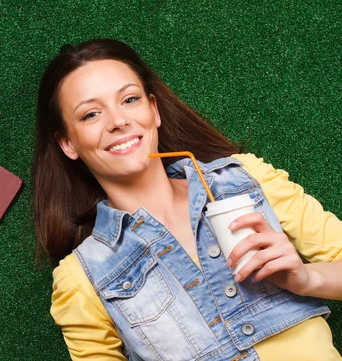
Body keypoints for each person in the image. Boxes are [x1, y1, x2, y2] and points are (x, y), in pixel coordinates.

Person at [32, 39, 342, 361]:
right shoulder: (81, 278)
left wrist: (307, 279)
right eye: (91, 114)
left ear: (153, 111)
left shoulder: (247, 180)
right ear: (68, 143)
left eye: (129, 99)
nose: (118, 121)